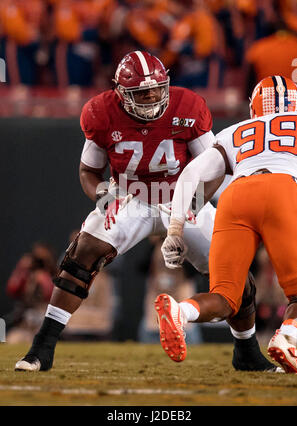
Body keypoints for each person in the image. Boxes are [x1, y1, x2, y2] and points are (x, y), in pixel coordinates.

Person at [15, 50, 276, 372]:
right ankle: (42, 348)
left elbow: (214, 167)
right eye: (142, 92)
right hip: (131, 197)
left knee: (235, 275)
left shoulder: (188, 106)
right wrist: (102, 194)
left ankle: (247, 352)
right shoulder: (100, 112)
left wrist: (190, 206)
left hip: (180, 196)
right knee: (81, 255)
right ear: (121, 94)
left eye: (157, 88)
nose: (152, 96)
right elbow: (88, 171)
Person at [156, 75, 297, 373]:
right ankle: (288, 337)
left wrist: (175, 229)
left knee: (225, 297)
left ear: (254, 107)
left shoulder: (236, 131)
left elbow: (190, 174)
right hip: (282, 191)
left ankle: (180, 311)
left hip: (235, 197)